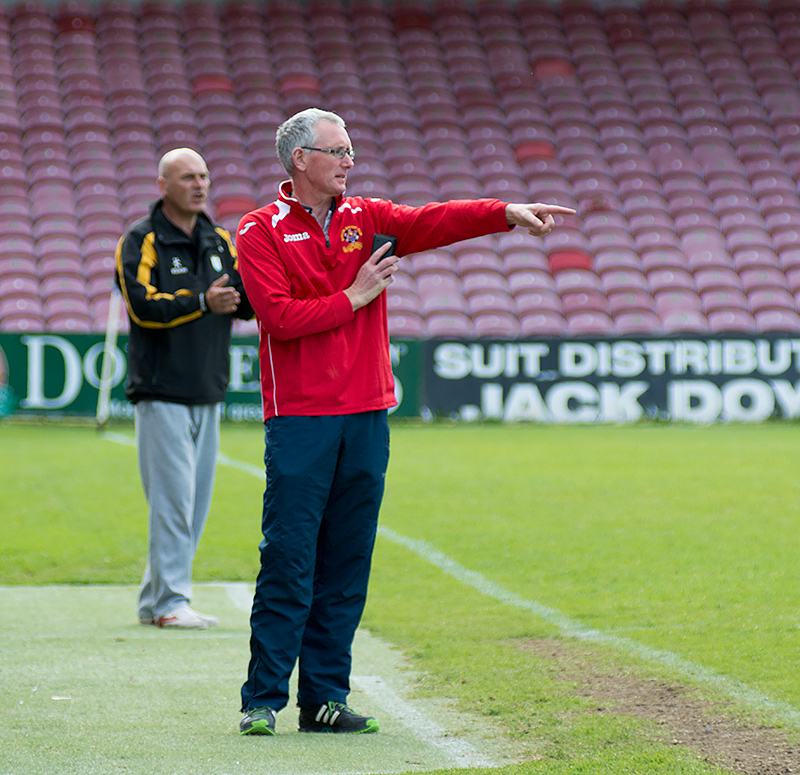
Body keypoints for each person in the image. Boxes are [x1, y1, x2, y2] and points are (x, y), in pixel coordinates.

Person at [234, 108, 575, 735]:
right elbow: (278, 318)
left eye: (350, 151)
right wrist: (354, 296)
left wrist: (504, 212)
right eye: (337, 151)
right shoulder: (259, 229)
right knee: (288, 558)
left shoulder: (367, 218)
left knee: (347, 562)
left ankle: (325, 699)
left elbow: (435, 220)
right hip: (301, 418)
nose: (349, 161)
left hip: (367, 413)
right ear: (300, 159)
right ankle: (262, 700)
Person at [115, 148, 253, 630]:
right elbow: (141, 305)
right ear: (163, 186)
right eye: (188, 177)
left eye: (204, 176)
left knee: (193, 504)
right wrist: (202, 302)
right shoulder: (141, 239)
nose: (199, 185)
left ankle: (155, 599)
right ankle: (171, 600)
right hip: (161, 388)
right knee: (174, 500)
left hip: (208, 385)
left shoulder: (220, 239)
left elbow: (242, 300)